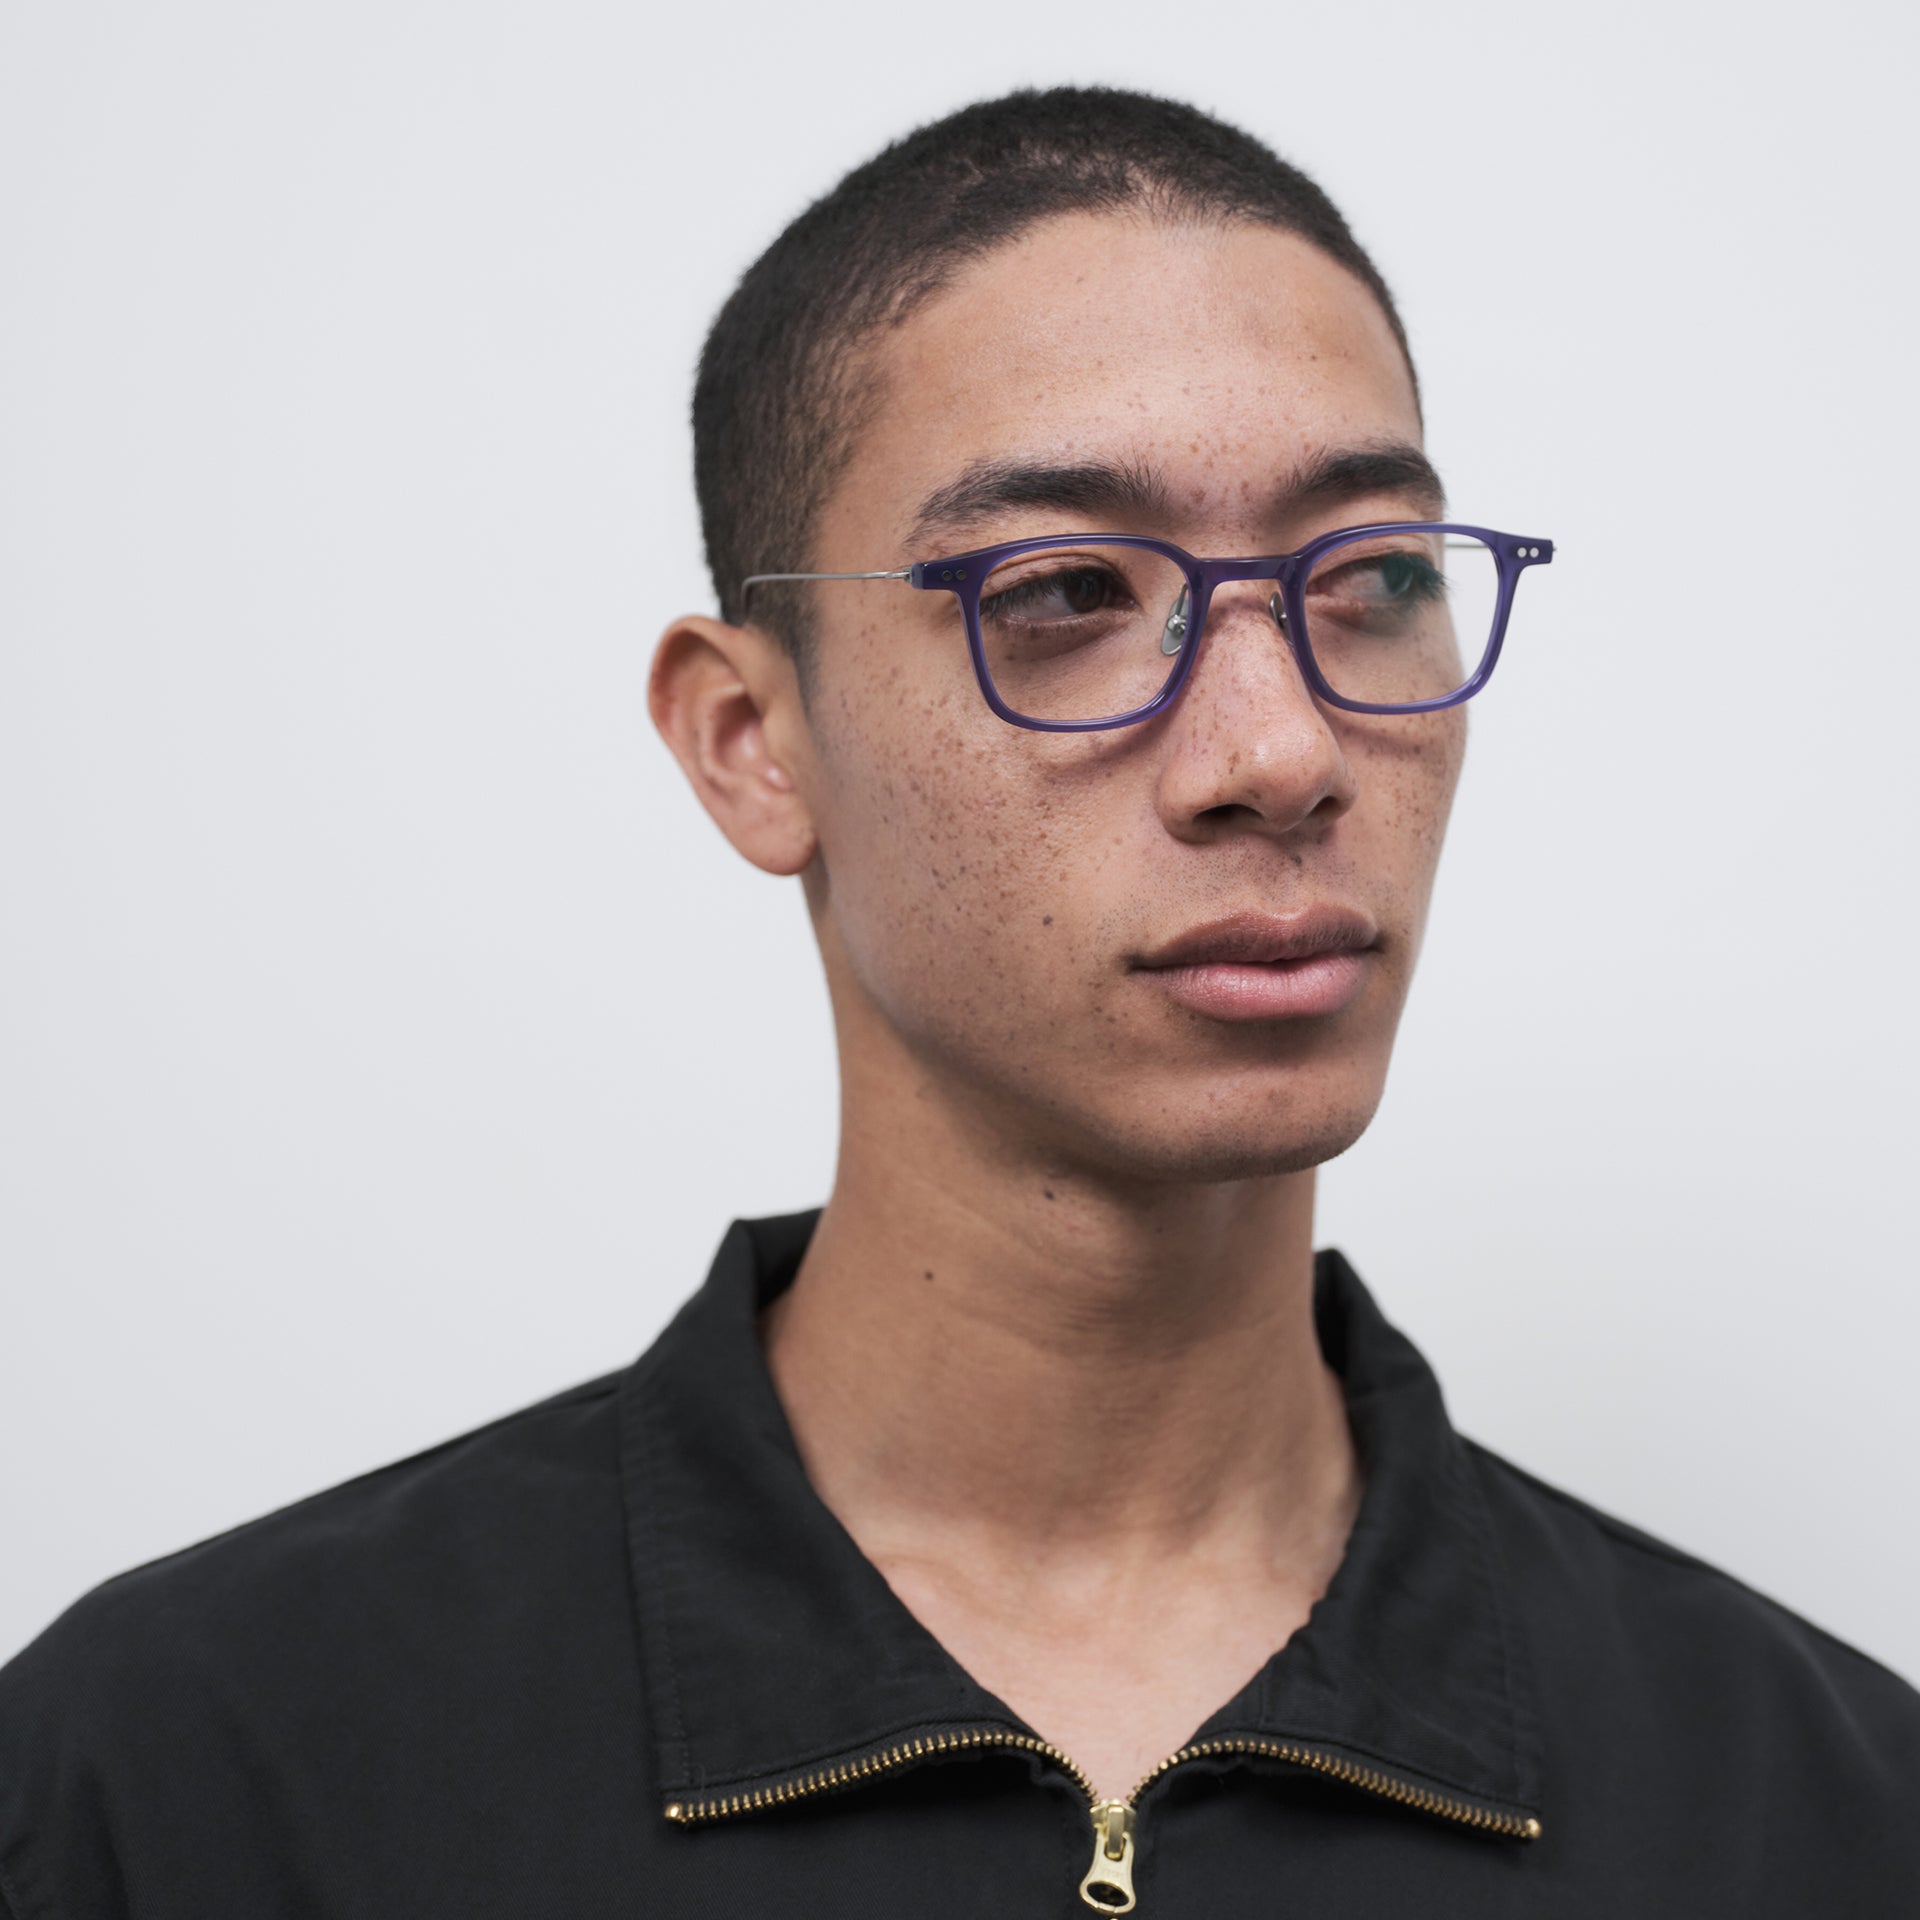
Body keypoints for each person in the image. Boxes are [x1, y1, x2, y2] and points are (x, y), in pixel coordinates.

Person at [2, 86, 1915, 1919]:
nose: (1282, 750)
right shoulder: (189, 1778)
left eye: (1376, 575)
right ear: (751, 740)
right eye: (1066, 592)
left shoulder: (1824, 1812)